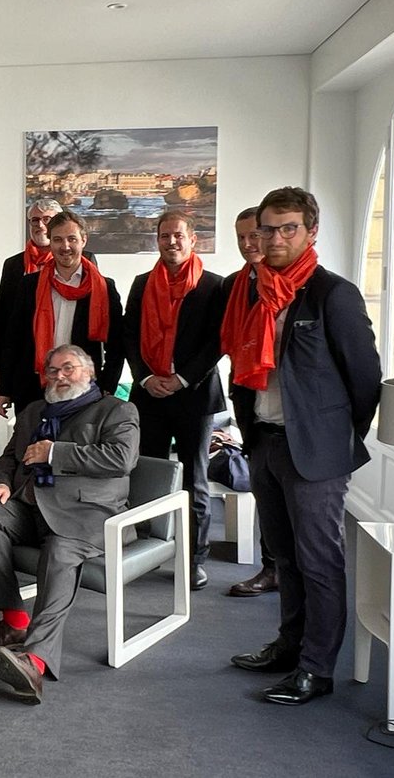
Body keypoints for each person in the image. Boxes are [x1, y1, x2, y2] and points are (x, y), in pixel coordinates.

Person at [225, 187, 381, 706]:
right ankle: (288, 647)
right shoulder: (253, 292)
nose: (274, 238)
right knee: (284, 559)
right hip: (265, 443)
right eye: (267, 228)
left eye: (287, 228)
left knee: (319, 562)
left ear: (310, 232)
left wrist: (334, 436)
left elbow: (365, 380)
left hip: (315, 452)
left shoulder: (333, 294)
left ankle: (317, 669)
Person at [0, 344, 139, 704]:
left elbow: (122, 459)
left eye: (68, 369)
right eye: (52, 370)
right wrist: (1, 484)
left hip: (86, 517)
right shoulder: (33, 412)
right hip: (32, 507)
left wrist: (54, 452)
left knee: (59, 549)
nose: (58, 376)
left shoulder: (116, 410)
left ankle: (35, 661)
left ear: (88, 373)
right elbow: (9, 457)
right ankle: (13, 622)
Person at [123, 211, 225, 591]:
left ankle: (194, 558)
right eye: (164, 236)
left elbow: (217, 342)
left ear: (192, 239)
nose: (171, 242)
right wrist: (146, 377)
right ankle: (151, 549)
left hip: (194, 397)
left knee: (195, 479)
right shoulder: (140, 284)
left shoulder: (214, 286)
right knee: (148, 475)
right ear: (157, 240)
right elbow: (128, 334)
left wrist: (181, 379)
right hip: (149, 394)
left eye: (178, 236)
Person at [0, 211, 123, 417]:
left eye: (72, 239)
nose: (65, 247)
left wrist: (107, 386)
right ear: (50, 242)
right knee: (30, 448)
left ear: (83, 240)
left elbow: (117, 345)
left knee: (74, 449)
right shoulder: (29, 286)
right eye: (58, 240)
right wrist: (4, 390)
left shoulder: (104, 288)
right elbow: (13, 340)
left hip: (84, 389)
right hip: (32, 386)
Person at [224, 207, 278, 598]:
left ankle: (283, 572)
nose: (247, 244)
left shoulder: (292, 284)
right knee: (266, 495)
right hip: (250, 402)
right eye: (241, 237)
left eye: (253, 236)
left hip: (294, 411)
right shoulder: (235, 284)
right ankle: (271, 568)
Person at [0, 198, 61, 366]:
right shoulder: (13, 264)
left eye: (47, 219)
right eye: (35, 220)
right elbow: (1, 315)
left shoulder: (79, 260)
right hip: (21, 354)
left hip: (62, 351)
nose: (40, 225)